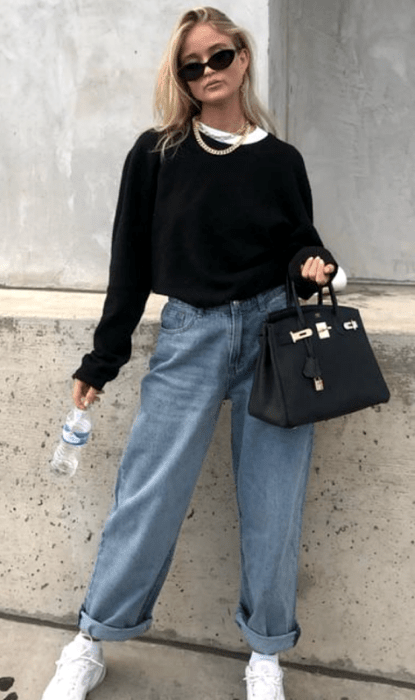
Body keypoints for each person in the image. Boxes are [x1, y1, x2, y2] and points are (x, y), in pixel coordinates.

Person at [41, 7, 339, 700]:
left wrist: (314, 264)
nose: (207, 72)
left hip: (275, 337)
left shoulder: (279, 158)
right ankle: (91, 638)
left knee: (273, 503)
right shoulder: (157, 154)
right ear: (178, 76)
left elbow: (298, 242)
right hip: (190, 335)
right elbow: (130, 264)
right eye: (190, 65)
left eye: (218, 56)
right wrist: (101, 360)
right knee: (146, 497)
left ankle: (266, 654)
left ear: (242, 57)